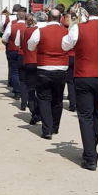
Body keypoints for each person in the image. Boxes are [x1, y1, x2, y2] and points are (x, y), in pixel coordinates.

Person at [62, 0, 98, 170]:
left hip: (83, 75)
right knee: (96, 114)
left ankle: (90, 155)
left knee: (85, 116)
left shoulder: (79, 28)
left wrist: (73, 28)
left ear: (86, 12)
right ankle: (92, 148)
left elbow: (65, 45)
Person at [28, 9, 69, 139]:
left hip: (44, 67)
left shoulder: (40, 31)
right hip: (61, 68)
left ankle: (47, 129)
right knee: (57, 99)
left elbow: (30, 46)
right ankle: (55, 127)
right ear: (60, 18)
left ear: (48, 18)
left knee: (44, 99)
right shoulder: (66, 32)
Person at [20, 14, 40, 125]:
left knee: (31, 89)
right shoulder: (38, 31)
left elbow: (22, 46)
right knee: (40, 90)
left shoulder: (25, 32)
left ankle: (34, 112)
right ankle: (39, 111)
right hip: (38, 62)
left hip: (28, 61)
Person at [2, 9, 27, 99]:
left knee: (14, 71)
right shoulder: (28, 26)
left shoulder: (12, 25)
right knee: (24, 71)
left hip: (13, 49)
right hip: (25, 51)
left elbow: (4, 38)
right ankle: (24, 91)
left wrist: (9, 43)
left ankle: (17, 92)